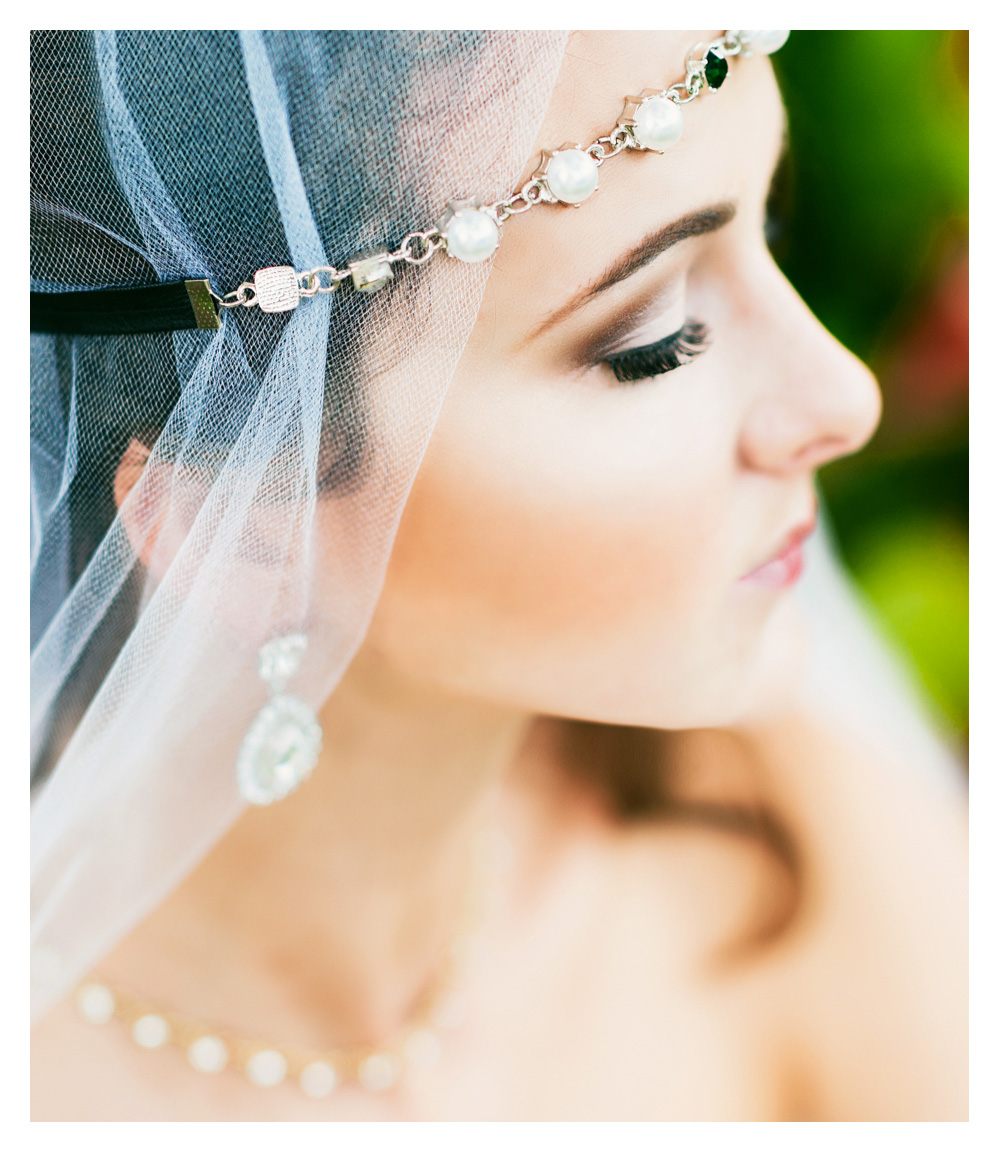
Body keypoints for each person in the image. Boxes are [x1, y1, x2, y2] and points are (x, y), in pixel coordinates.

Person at [29, 30, 967, 1121]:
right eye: (656, 341)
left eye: (774, 226)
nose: (846, 399)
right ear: (241, 528)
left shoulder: (781, 844)